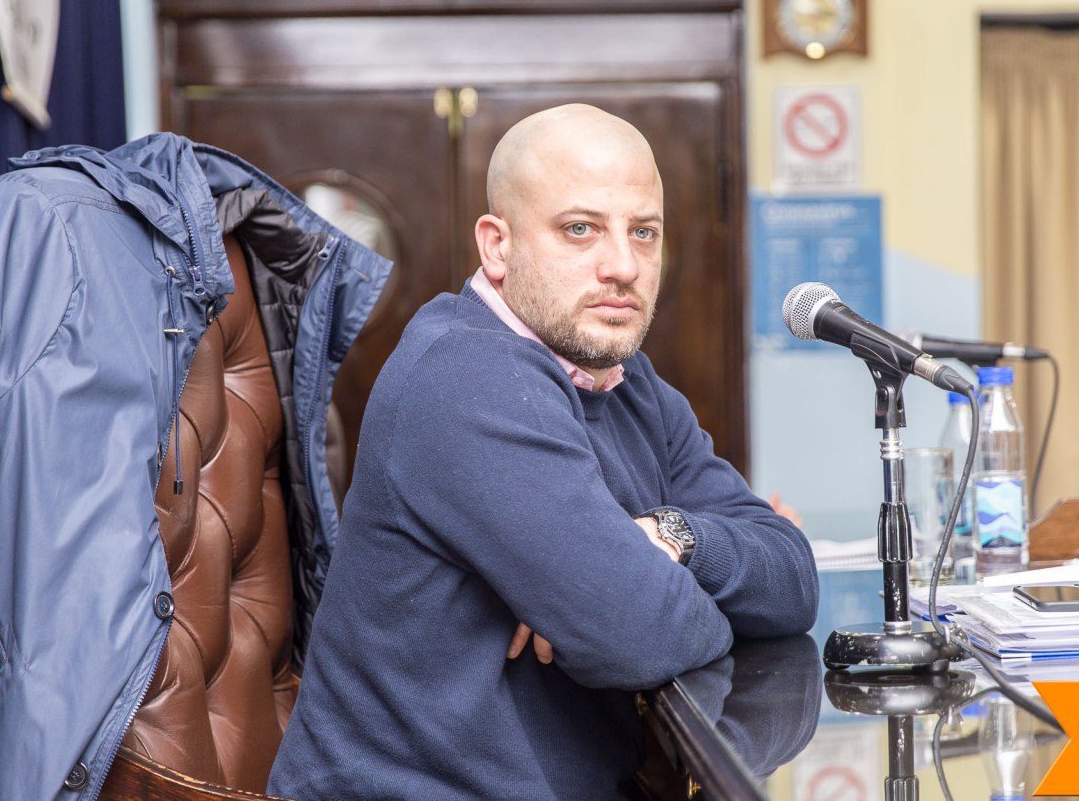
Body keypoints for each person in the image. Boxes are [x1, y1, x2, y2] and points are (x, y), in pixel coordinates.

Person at [268, 104, 818, 799]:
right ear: (497, 246)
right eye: (580, 229)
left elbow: (794, 580)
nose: (623, 266)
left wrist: (670, 538)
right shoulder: (467, 375)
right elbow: (637, 631)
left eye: (643, 232)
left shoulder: (628, 382)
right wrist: (616, 597)